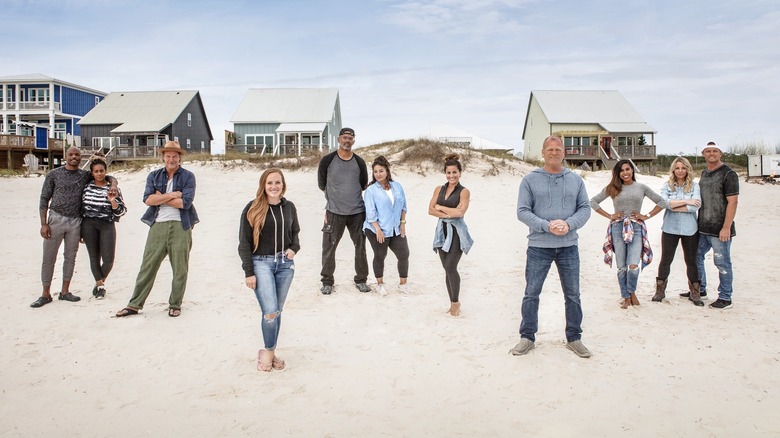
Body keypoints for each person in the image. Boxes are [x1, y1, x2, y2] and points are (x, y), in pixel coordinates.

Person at [510, 135, 592, 359]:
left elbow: (585, 208)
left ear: (564, 153)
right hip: (539, 246)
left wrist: (568, 224)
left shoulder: (575, 180)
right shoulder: (530, 180)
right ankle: (527, 337)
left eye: (558, 149)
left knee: (573, 294)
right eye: (550, 149)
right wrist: (546, 226)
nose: (554, 153)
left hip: (569, 246)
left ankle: (574, 338)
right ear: (543, 152)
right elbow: (522, 211)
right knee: (531, 293)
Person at [115, 140, 198, 318]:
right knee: (148, 266)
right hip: (157, 224)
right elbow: (147, 200)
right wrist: (173, 194)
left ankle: (175, 304)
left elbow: (185, 203)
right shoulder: (154, 175)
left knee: (180, 268)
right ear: (163, 157)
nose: (171, 159)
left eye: (174, 156)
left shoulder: (188, 176)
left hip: (180, 225)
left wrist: (161, 197)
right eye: (168, 156)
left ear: (180, 158)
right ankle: (134, 304)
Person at [31, 146, 118, 308]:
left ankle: (65, 292)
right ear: (65, 156)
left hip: (76, 221)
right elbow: (44, 199)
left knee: (70, 257)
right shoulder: (53, 175)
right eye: (71, 154)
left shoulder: (84, 175)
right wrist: (43, 224)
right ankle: (45, 294)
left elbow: (107, 175)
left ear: (80, 157)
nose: (74, 157)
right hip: (55, 218)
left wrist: (113, 184)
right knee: (49, 257)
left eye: (77, 155)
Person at [238, 169, 300, 372]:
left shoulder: (289, 207)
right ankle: (268, 352)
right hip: (261, 263)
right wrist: (249, 271)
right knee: (270, 312)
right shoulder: (253, 207)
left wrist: (293, 249)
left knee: (277, 310)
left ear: (283, 185)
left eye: (277, 183)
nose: (274, 187)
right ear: (263, 186)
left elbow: (295, 233)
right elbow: (244, 243)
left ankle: (270, 353)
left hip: (284, 264)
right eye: (270, 183)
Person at [591, 159, 666, 309]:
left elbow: (662, 202)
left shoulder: (641, 187)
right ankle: (626, 297)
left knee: (633, 265)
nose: (625, 173)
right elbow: (593, 202)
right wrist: (610, 216)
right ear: (618, 173)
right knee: (621, 267)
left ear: (632, 170)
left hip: (636, 228)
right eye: (622, 170)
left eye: (627, 169)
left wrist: (646, 216)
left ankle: (631, 291)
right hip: (618, 228)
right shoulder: (613, 187)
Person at [317, 127, 370, 295]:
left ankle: (361, 280)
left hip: (357, 213)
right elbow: (321, 184)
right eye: (344, 137)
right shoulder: (327, 160)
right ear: (339, 139)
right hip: (333, 212)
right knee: (329, 248)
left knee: (360, 247)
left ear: (353, 141)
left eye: (350, 138)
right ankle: (327, 281)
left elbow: (363, 184)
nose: (347, 141)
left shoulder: (359, 162)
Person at [690, 142, 738, 309]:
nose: (711, 153)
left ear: (720, 153)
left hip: (720, 230)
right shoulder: (704, 173)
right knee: (696, 257)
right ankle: (700, 289)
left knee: (722, 263)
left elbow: (733, 202)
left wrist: (726, 227)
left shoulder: (728, 174)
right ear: (703, 153)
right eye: (708, 151)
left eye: (715, 151)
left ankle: (725, 297)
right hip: (702, 228)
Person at [654, 157, 703, 306]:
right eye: (677, 168)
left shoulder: (694, 186)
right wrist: (687, 201)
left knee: (691, 261)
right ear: (673, 170)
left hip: (690, 229)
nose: (680, 171)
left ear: (687, 169)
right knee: (666, 260)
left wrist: (676, 205)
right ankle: (660, 290)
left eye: (683, 168)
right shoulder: (667, 186)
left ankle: (695, 292)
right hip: (670, 228)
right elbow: (664, 203)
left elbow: (695, 207)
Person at [429, 153, 473, 316]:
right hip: (442, 231)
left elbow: (461, 212)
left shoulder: (464, 191)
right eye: (448, 172)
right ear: (445, 173)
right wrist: (449, 213)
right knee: (446, 268)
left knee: (450, 266)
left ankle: (455, 303)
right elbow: (430, 210)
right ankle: (452, 302)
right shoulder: (438, 189)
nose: (451, 175)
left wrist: (441, 208)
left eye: (454, 172)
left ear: (460, 173)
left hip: (457, 233)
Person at [81, 157, 127, 300]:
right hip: (88, 224)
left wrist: (112, 201)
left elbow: (122, 211)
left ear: (106, 172)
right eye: (96, 171)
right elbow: (80, 209)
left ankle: (99, 282)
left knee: (108, 259)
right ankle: (100, 286)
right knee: (94, 257)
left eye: (102, 171)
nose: (99, 174)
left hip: (107, 224)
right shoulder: (87, 188)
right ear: (92, 173)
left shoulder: (113, 189)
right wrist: (78, 231)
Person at [363, 156, 409, 296]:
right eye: (375, 171)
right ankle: (380, 284)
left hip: (395, 228)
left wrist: (402, 223)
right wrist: (378, 230)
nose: (378, 174)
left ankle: (403, 284)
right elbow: (370, 214)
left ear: (387, 171)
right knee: (380, 255)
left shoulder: (397, 186)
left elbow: (403, 206)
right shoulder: (371, 190)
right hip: (376, 228)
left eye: (381, 171)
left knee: (404, 254)